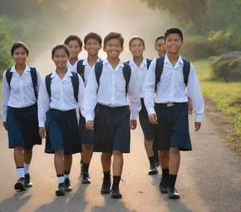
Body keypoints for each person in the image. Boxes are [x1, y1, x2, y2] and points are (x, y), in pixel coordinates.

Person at [144, 28, 204, 199]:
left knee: (174, 147)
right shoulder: (157, 64)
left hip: (179, 110)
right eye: (169, 40)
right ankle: (165, 175)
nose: (172, 43)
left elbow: (194, 90)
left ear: (181, 43)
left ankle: (172, 185)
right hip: (161, 109)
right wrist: (150, 110)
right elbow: (147, 88)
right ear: (164, 43)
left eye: (176, 40)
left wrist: (199, 115)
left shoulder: (186, 66)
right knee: (163, 149)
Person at [83, 32, 141, 199]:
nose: (113, 48)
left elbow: (134, 94)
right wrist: (89, 116)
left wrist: (134, 115)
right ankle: (106, 178)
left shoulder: (127, 69)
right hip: (103, 113)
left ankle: (116, 186)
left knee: (118, 150)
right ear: (104, 48)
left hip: (122, 113)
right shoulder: (99, 68)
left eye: (117, 45)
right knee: (106, 152)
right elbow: (90, 93)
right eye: (110, 45)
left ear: (122, 48)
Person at [38, 44, 84, 196]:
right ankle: (60, 184)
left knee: (68, 152)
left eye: (63, 56)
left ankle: (66, 177)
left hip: (71, 117)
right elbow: (43, 102)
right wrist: (41, 124)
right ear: (53, 58)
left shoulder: (75, 78)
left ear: (68, 57)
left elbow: (82, 101)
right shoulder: (48, 79)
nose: (60, 59)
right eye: (57, 56)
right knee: (58, 149)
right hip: (54, 117)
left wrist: (86, 120)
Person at [0, 41, 42, 191]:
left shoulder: (34, 73)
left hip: (31, 112)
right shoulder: (8, 74)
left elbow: (42, 95)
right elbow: (4, 96)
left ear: (27, 55)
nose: (20, 56)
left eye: (23, 53)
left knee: (28, 146)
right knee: (18, 145)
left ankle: (26, 172)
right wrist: (4, 117)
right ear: (12, 55)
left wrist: (42, 118)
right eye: (17, 53)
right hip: (14, 113)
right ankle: (21, 177)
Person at [127, 36, 159, 174]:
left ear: (144, 47)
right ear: (129, 49)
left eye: (139, 45)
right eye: (133, 46)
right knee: (148, 134)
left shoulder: (152, 64)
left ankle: (159, 157)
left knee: (159, 133)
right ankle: (152, 163)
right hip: (137, 102)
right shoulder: (126, 66)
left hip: (153, 102)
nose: (137, 48)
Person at [76, 32, 102, 184]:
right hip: (84, 108)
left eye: (95, 44)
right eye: (89, 44)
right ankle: (85, 171)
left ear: (100, 46)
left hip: (101, 107)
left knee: (94, 142)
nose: (92, 46)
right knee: (86, 141)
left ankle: (87, 165)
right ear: (84, 47)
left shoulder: (104, 64)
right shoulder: (79, 65)